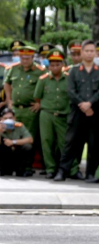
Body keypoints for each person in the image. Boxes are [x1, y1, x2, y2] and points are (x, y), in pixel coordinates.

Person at [54, 39, 99, 182]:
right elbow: (71, 91)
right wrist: (83, 105)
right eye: (87, 51)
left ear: (96, 53)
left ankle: (90, 173)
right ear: (82, 52)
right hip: (77, 112)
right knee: (70, 142)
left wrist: (90, 104)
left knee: (94, 144)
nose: (89, 53)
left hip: (94, 113)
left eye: (92, 51)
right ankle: (63, 171)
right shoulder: (73, 71)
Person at [33, 50, 73, 179]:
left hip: (63, 115)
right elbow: (37, 97)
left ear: (62, 64)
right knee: (46, 141)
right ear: (48, 66)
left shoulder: (68, 78)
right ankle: (50, 169)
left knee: (64, 143)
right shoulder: (43, 79)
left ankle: (70, 169)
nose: (55, 67)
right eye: (52, 65)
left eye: (57, 64)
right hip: (47, 114)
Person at [4, 46, 45, 154]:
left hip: (30, 110)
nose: (25, 61)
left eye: (27, 58)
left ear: (33, 57)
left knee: (29, 137)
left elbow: (47, 87)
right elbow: (7, 83)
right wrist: (9, 100)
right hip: (15, 108)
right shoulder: (13, 68)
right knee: (13, 135)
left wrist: (40, 103)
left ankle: (27, 167)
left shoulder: (40, 71)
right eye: (22, 58)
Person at [0, 107, 34, 176]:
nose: (8, 120)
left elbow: (30, 139)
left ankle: (21, 170)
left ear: (14, 118)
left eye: (10, 118)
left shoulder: (19, 126)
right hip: (5, 156)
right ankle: (1, 169)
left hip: (17, 154)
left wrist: (13, 142)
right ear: (1, 119)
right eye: (5, 118)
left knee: (28, 146)